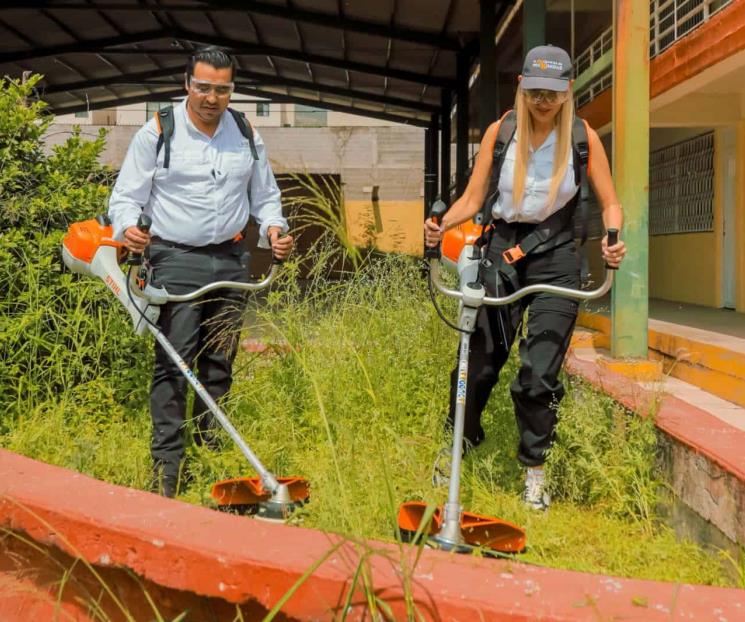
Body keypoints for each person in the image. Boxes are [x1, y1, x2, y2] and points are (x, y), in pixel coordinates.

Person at [424, 45, 626, 511]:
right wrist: (442, 226)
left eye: (552, 93)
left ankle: (534, 472)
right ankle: (459, 446)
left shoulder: (582, 138)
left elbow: (610, 200)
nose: (542, 101)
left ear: (567, 90)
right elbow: (474, 200)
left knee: (539, 372)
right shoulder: (502, 133)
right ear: (521, 86)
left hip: (556, 257)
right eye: (534, 91)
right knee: (478, 362)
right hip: (501, 252)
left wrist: (613, 236)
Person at [108, 47, 292, 497]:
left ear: (232, 90)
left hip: (231, 258)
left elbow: (265, 197)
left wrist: (274, 229)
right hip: (175, 258)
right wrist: (128, 228)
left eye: (222, 89)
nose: (212, 97)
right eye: (204, 87)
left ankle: (211, 455)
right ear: (187, 83)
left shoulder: (246, 133)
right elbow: (126, 197)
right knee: (175, 365)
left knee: (219, 363)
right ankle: (167, 471)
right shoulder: (158, 131)